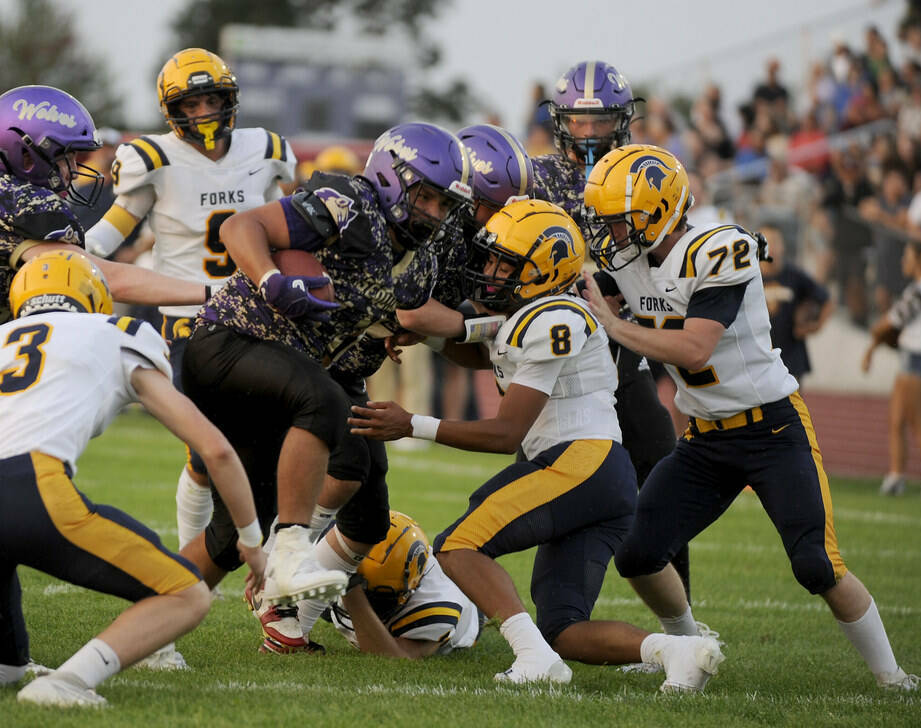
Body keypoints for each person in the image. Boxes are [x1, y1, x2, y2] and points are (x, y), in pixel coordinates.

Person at [581, 144, 921, 691]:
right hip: (704, 441)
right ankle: (689, 650)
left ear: (658, 211)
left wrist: (614, 324)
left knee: (815, 563)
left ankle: (893, 677)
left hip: (773, 429)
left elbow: (695, 350)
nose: (610, 233)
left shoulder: (719, 248)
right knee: (639, 553)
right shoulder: (629, 264)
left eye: (619, 220)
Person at [351, 199, 724, 691]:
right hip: (599, 478)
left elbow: (505, 434)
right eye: (489, 258)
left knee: (458, 546)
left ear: (544, 268)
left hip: (580, 464)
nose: (488, 270)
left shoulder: (555, 319)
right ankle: (676, 651)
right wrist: (428, 336)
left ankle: (531, 658)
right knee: (564, 630)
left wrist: (411, 423)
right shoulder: (537, 313)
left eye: (503, 262)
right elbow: (482, 346)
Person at [0, 251, 266, 707]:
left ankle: (38, 676)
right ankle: (67, 682)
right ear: (93, 294)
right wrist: (250, 540)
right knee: (187, 593)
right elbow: (216, 449)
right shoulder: (119, 332)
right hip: (33, 488)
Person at [247, 124, 524, 656]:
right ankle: (278, 569)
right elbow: (413, 310)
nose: (493, 223)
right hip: (302, 352)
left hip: (349, 361)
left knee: (368, 508)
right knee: (346, 462)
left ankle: (287, 613)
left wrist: (471, 332)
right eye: (491, 207)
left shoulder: (445, 236)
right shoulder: (381, 214)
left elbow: (433, 329)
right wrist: (481, 327)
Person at [179, 122, 473, 611]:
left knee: (232, 535)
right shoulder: (350, 203)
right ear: (392, 176)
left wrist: (400, 333)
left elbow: (398, 315)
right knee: (325, 400)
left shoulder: (421, 261)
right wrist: (272, 279)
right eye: (426, 196)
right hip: (229, 344)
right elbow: (240, 227)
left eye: (445, 204)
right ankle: (290, 554)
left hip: (282, 376)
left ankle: (151, 618)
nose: (433, 213)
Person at [83, 49, 297, 555]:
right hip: (190, 324)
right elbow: (104, 240)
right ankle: (191, 560)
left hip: (260, 317)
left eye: (212, 99)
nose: (203, 112)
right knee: (204, 454)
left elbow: (294, 229)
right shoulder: (151, 160)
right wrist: (63, 258)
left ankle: (282, 548)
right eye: (192, 102)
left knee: (277, 439)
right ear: (172, 110)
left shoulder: (267, 150)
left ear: (230, 99)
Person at [0, 85, 212, 434]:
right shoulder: (25, 204)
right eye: (67, 157)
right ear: (28, 156)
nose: (74, 170)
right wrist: (211, 292)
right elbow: (99, 275)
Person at [531, 61, 688, 597]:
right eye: (579, 121)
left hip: (621, 344)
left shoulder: (643, 170)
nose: (590, 132)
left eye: (600, 121)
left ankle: (682, 614)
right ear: (561, 122)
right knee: (543, 476)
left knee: (663, 464)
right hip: (558, 353)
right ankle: (536, 609)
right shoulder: (540, 177)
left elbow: (670, 242)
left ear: (623, 121)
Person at [312, 511, 480, 658]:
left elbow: (396, 655)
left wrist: (351, 592)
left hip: (467, 613)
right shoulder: (336, 541)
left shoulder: (439, 605)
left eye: (377, 596)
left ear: (412, 585)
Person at [862, 241, 921, 499]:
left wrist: (874, 339)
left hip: (919, 357)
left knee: (917, 419)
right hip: (915, 355)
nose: (904, 260)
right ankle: (896, 476)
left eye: (908, 256)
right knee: (897, 419)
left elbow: (890, 321)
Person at [759, 226, 834, 384]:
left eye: (774, 242)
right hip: (759, 355)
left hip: (791, 354)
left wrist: (816, 326)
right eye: (765, 242)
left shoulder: (794, 275)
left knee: (793, 405)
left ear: (783, 246)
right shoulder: (748, 277)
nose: (770, 247)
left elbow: (827, 300)